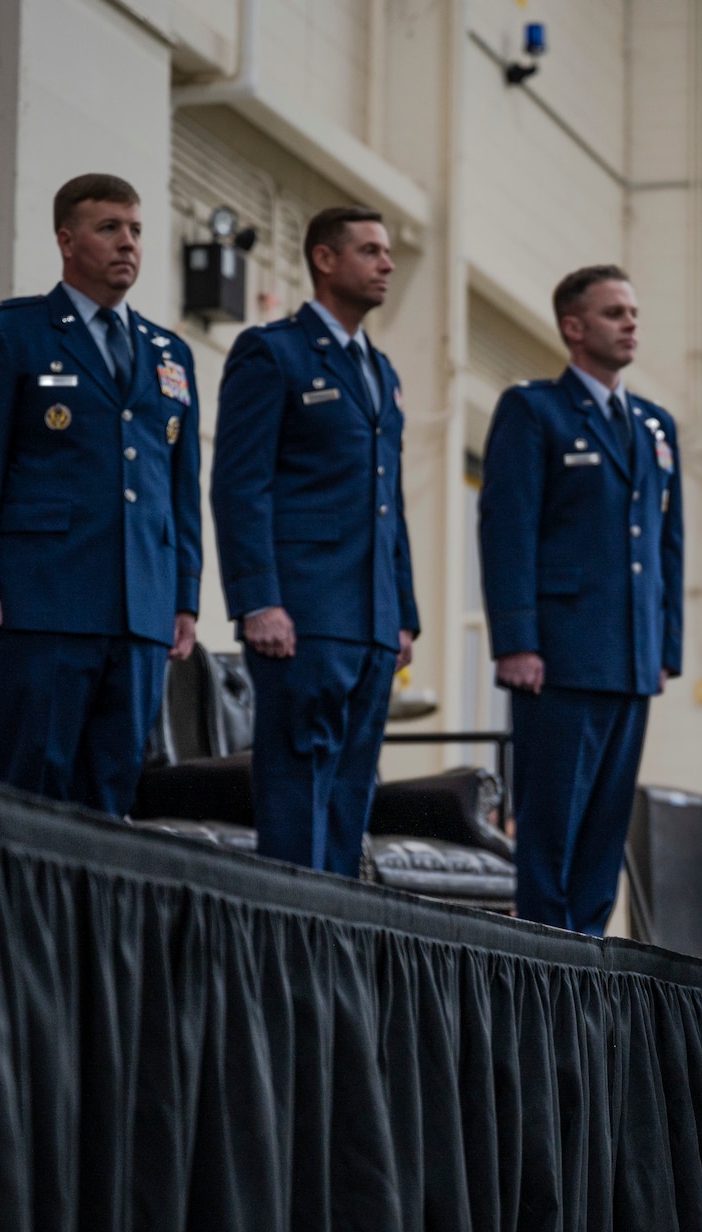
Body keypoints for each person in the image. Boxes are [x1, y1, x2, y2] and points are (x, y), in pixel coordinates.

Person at [0, 173, 202, 815]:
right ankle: (20, 919)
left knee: (114, 793)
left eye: (137, 231)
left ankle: (95, 921)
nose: (128, 244)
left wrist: (184, 596)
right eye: (109, 228)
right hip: (47, 600)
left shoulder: (168, 352)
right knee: (36, 785)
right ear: (66, 239)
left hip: (140, 606)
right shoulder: (14, 333)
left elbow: (180, 485)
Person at [210, 205, 418, 874]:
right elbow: (240, 487)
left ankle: (332, 953)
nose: (386, 263)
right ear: (325, 260)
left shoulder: (379, 370)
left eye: (387, 252)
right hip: (301, 613)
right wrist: (257, 599)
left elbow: (391, 504)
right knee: (298, 787)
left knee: (352, 790)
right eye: (370, 251)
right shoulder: (274, 352)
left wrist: (404, 612)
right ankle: (292, 957)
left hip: (372, 623)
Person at [477, 265, 683, 933]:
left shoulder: (655, 424)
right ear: (574, 327)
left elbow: (666, 542)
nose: (631, 324)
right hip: (559, 656)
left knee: (605, 828)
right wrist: (515, 641)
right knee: (553, 827)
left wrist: (666, 645)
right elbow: (507, 530)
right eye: (614, 312)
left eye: (633, 311)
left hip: (631, 656)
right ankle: (546, 957)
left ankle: (588, 960)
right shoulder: (534, 410)